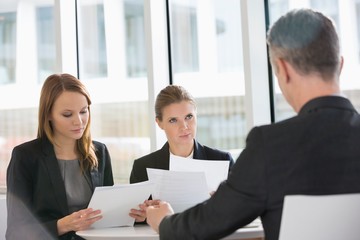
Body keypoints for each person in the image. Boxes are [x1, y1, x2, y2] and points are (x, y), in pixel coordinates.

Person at [143, 8, 360, 240]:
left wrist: (165, 221)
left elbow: (209, 222)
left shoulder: (271, 146)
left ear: (283, 69)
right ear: (340, 64)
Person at [6, 73, 114, 240]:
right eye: (67, 115)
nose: (79, 122)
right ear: (48, 114)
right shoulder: (25, 157)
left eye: (83, 111)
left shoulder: (100, 151)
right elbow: (15, 232)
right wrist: (63, 225)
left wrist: (134, 214)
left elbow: (109, 213)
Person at [129, 85, 234, 221]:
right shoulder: (142, 167)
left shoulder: (222, 160)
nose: (184, 127)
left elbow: (244, 210)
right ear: (159, 123)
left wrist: (224, 205)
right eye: (173, 120)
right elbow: (133, 219)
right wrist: (143, 217)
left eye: (189, 117)